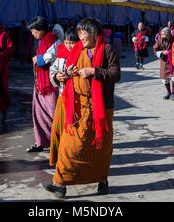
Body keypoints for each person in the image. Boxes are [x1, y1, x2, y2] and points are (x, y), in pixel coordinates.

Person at [40, 17, 121, 199]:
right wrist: (66, 74)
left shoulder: (106, 50)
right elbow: (69, 70)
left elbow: (116, 73)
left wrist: (95, 71)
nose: (80, 36)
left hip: (101, 108)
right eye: (78, 32)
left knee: (100, 148)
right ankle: (59, 183)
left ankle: (102, 179)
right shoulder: (78, 50)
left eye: (82, 32)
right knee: (69, 146)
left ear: (93, 33)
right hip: (78, 107)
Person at [27, 16, 61, 152]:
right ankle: (41, 142)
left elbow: (52, 55)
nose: (32, 34)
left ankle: (58, 142)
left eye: (34, 31)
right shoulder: (42, 40)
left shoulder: (53, 39)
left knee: (54, 114)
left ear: (40, 30)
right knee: (39, 113)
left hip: (50, 85)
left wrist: (38, 59)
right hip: (40, 85)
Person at [49, 27, 78, 166]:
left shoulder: (82, 54)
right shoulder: (60, 53)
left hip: (77, 98)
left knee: (72, 131)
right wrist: (56, 76)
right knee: (57, 129)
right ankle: (58, 159)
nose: (68, 46)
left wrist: (69, 75)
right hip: (62, 96)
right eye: (66, 42)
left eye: (71, 42)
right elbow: (52, 70)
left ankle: (71, 159)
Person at [153, 27, 174, 100]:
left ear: (169, 35)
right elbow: (155, 49)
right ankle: (169, 93)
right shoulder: (159, 40)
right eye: (161, 34)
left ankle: (173, 93)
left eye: (164, 35)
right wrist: (162, 53)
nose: (162, 36)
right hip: (164, 61)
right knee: (165, 79)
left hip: (173, 61)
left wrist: (172, 53)